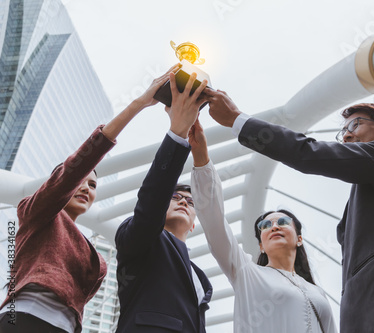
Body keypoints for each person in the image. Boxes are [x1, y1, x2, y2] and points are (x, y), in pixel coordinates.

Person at [204, 90, 374, 333]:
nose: (347, 135)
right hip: (371, 311)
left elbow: (309, 153)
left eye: (355, 124)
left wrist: (239, 120)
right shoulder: (369, 191)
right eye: (343, 130)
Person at [0, 64, 182, 333]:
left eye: (93, 185)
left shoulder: (96, 258)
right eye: (81, 181)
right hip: (24, 318)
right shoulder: (35, 211)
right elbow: (73, 171)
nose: (86, 188)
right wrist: (140, 103)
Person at [189, 119, 336, 333]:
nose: (274, 227)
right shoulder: (247, 274)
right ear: (260, 245)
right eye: (265, 225)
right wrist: (201, 157)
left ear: (299, 238)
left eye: (283, 222)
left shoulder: (317, 293)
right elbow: (214, 221)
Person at [114, 72, 212, 332]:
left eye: (191, 203)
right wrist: (177, 133)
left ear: (193, 224)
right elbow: (151, 203)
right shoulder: (140, 238)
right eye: (176, 197)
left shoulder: (201, 277)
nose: (183, 202)